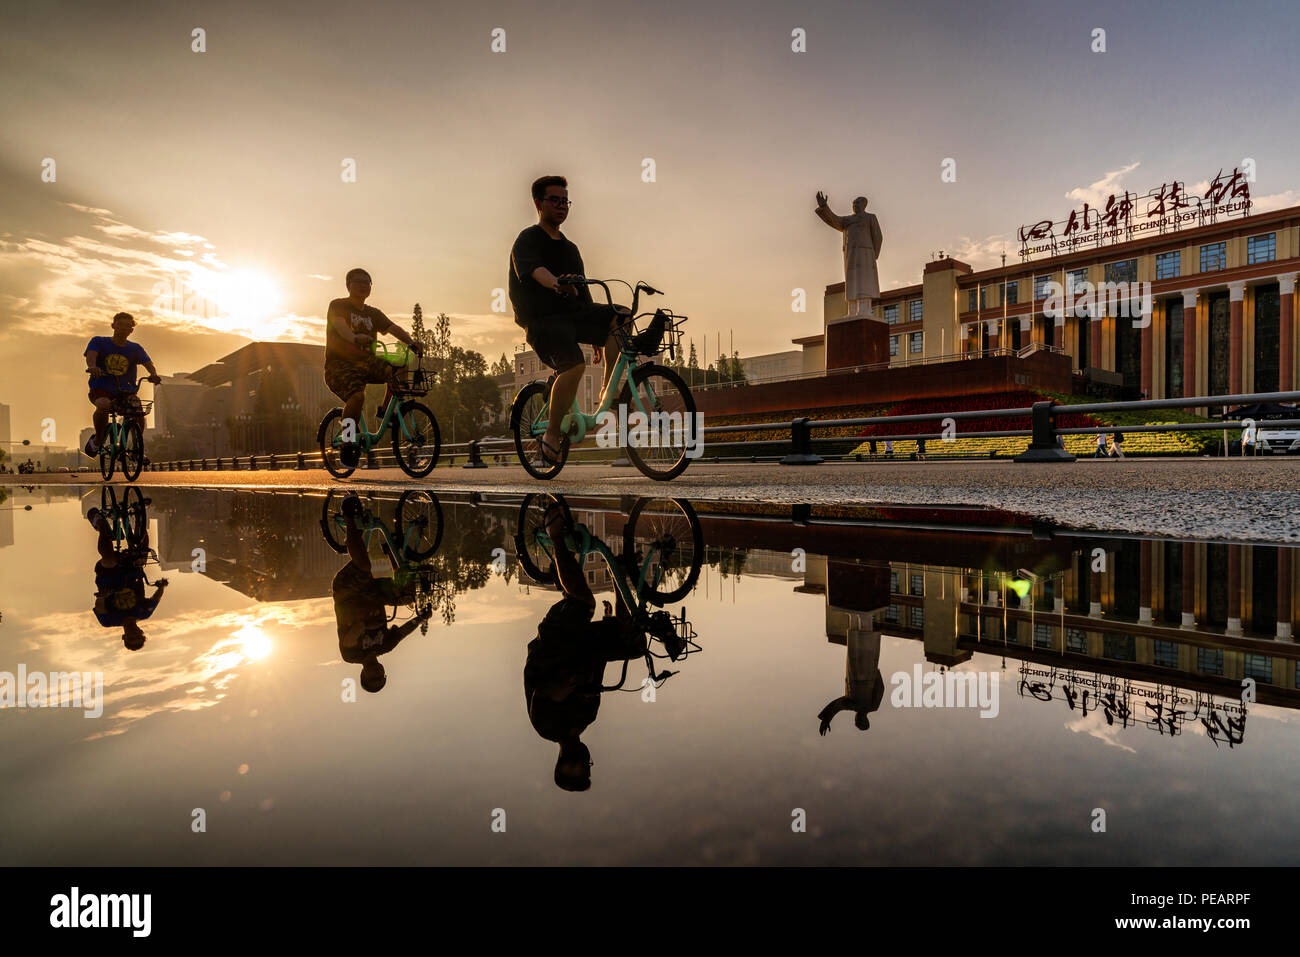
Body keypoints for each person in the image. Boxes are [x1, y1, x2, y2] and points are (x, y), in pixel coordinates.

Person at [523, 500, 646, 791]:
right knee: (632, 641)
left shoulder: (546, 728)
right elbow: (598, 666)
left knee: (582, 603)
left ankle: (554, 535)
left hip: (552, 647)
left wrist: (568, 685)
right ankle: (618, 573)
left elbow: (547, 692)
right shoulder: (587, 718)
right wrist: (619, 637)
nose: (581, 764)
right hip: (582, 651)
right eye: (585, 770)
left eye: (574, 769)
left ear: (561, 764)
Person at [509, 175, 628, 466]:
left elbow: (584, 294)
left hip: (573, 318)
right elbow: (538, 272)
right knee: (575, 365)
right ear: (538, 203)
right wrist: (556, 284)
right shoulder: (527, 239)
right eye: (555, 200)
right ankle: (551, 435)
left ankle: (607, 392)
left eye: (565, 201)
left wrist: (597, 335)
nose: (562, 206)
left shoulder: (571, 248)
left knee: (622, 316)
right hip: (542, 323)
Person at [323, 269, 424, 468]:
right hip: (340, 366)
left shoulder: (373, 313)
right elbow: (340, 326)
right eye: (358, 281)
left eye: (367, 282)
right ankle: (347, 441)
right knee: (357, 397)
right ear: (348, 285)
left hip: (367, 364)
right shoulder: (338, 305)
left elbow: (393, 328)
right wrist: (354, 338)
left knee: (401, 363)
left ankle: (388, 411)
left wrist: (412, 342)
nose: (363, 285)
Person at [331, 494, 429, 693]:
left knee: (365, 566)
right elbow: (402, 633)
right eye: (380, 676)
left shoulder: (351, 655)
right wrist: (420, 618)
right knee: (408, 596)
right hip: (373, 593)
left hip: (348, 592)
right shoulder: (386, 646)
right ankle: (394, 550)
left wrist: (369, 624)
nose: (376, 672)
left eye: (372, 677)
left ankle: (348, 515)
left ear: (363, 675)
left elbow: (355, 629)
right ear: (383, 671)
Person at [87, 504, 166, 650]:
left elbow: (100, 606)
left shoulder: (108, 621)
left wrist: (102, 597)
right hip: (131, 573)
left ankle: (99, 524)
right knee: (142, 550)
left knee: (109, 559)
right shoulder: (144, 613)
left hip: (109, 577)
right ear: (142, 633)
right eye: (137, 637)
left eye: (130, 638)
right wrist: (162, 586)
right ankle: (138, 516)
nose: (133, 634)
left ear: (124, 637)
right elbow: (156, 599)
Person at [83, 312, 161, 457]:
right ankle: (98, 439)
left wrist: (153, 374)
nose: (123, 329)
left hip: (126, 391)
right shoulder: (99, 341)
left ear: (131, 330)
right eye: (120, 325)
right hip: (101, 387)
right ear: (113, 326)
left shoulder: (135, 348)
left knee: (138, 409)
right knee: (103, 405)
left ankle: (137, 448)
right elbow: (91, 355)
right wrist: (93, 366)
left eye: (128, 326)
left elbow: (148, 363)